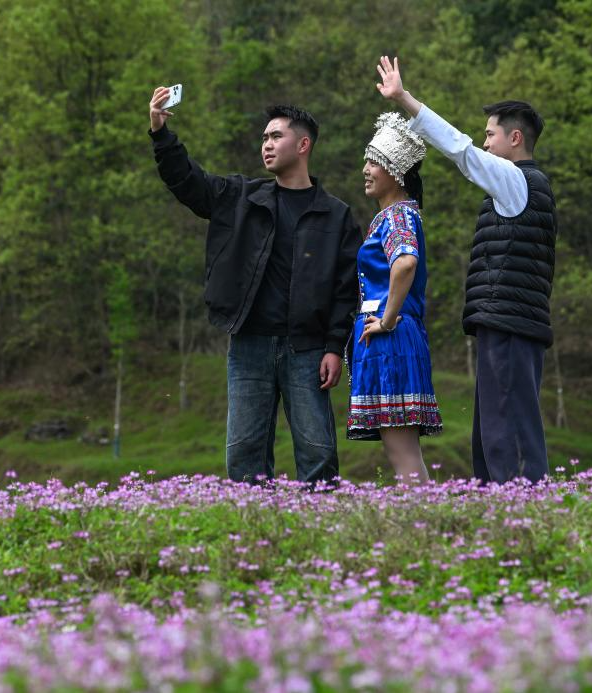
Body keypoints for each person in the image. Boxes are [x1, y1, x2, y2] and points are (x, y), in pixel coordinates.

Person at [148, 87, 361, 485]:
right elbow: (187, 181)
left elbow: (345, 289)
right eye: (264, 137)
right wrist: (161, 133)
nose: (266, 144)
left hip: (307, 348)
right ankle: (251, 537)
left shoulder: (336, 215)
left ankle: (325, 533)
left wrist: (335, 346)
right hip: (248, 345)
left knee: (318, 452)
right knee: (244, 454)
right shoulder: (239, 197)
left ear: (303, 144)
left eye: (275, 136)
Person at [375, 56, 557, 484]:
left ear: (515, 138)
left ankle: (521, 514)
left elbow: (459, 149)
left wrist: (404, 99)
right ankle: (502, 509)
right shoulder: (517, 189)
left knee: (507, 428)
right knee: (495, 427)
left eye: (491, 135)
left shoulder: (517, 182)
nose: (485, 143)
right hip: (508, 321)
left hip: (510, 322)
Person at [347, 113, 442, 483]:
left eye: (374, 162)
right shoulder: (394, 215)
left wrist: (386, 319)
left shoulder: (397, 216)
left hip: (391, 336)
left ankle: (421, 528)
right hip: (393, 336)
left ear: (395, 171)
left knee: (400, 449)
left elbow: (405, 263)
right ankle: (421, 524)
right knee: (400, 447)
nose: (365, 170)